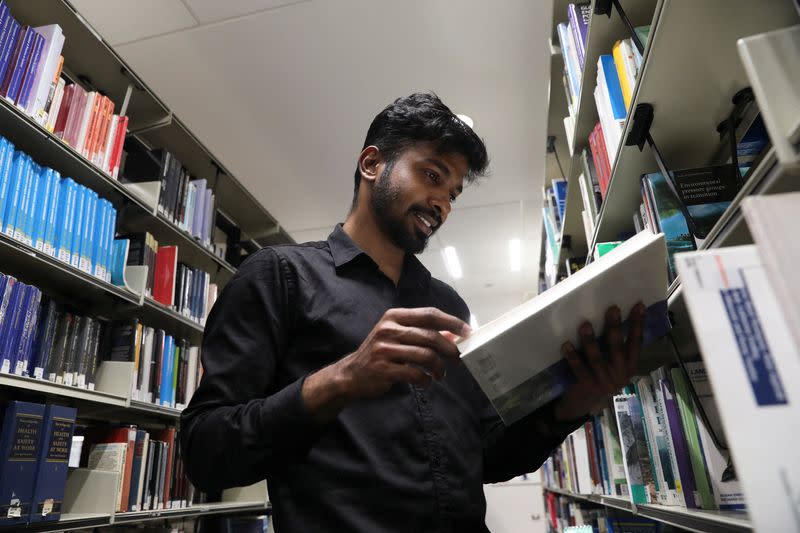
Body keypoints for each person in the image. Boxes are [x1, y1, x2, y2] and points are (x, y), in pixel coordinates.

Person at [180, 92, 645, 532]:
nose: (442, 203)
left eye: (454, 193)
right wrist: (342, 378)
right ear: (372, 164)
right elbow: (205, 452)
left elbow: (484, 456)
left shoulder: (448, 304)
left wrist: (571, 405)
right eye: (432, 175)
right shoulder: (279, 276)